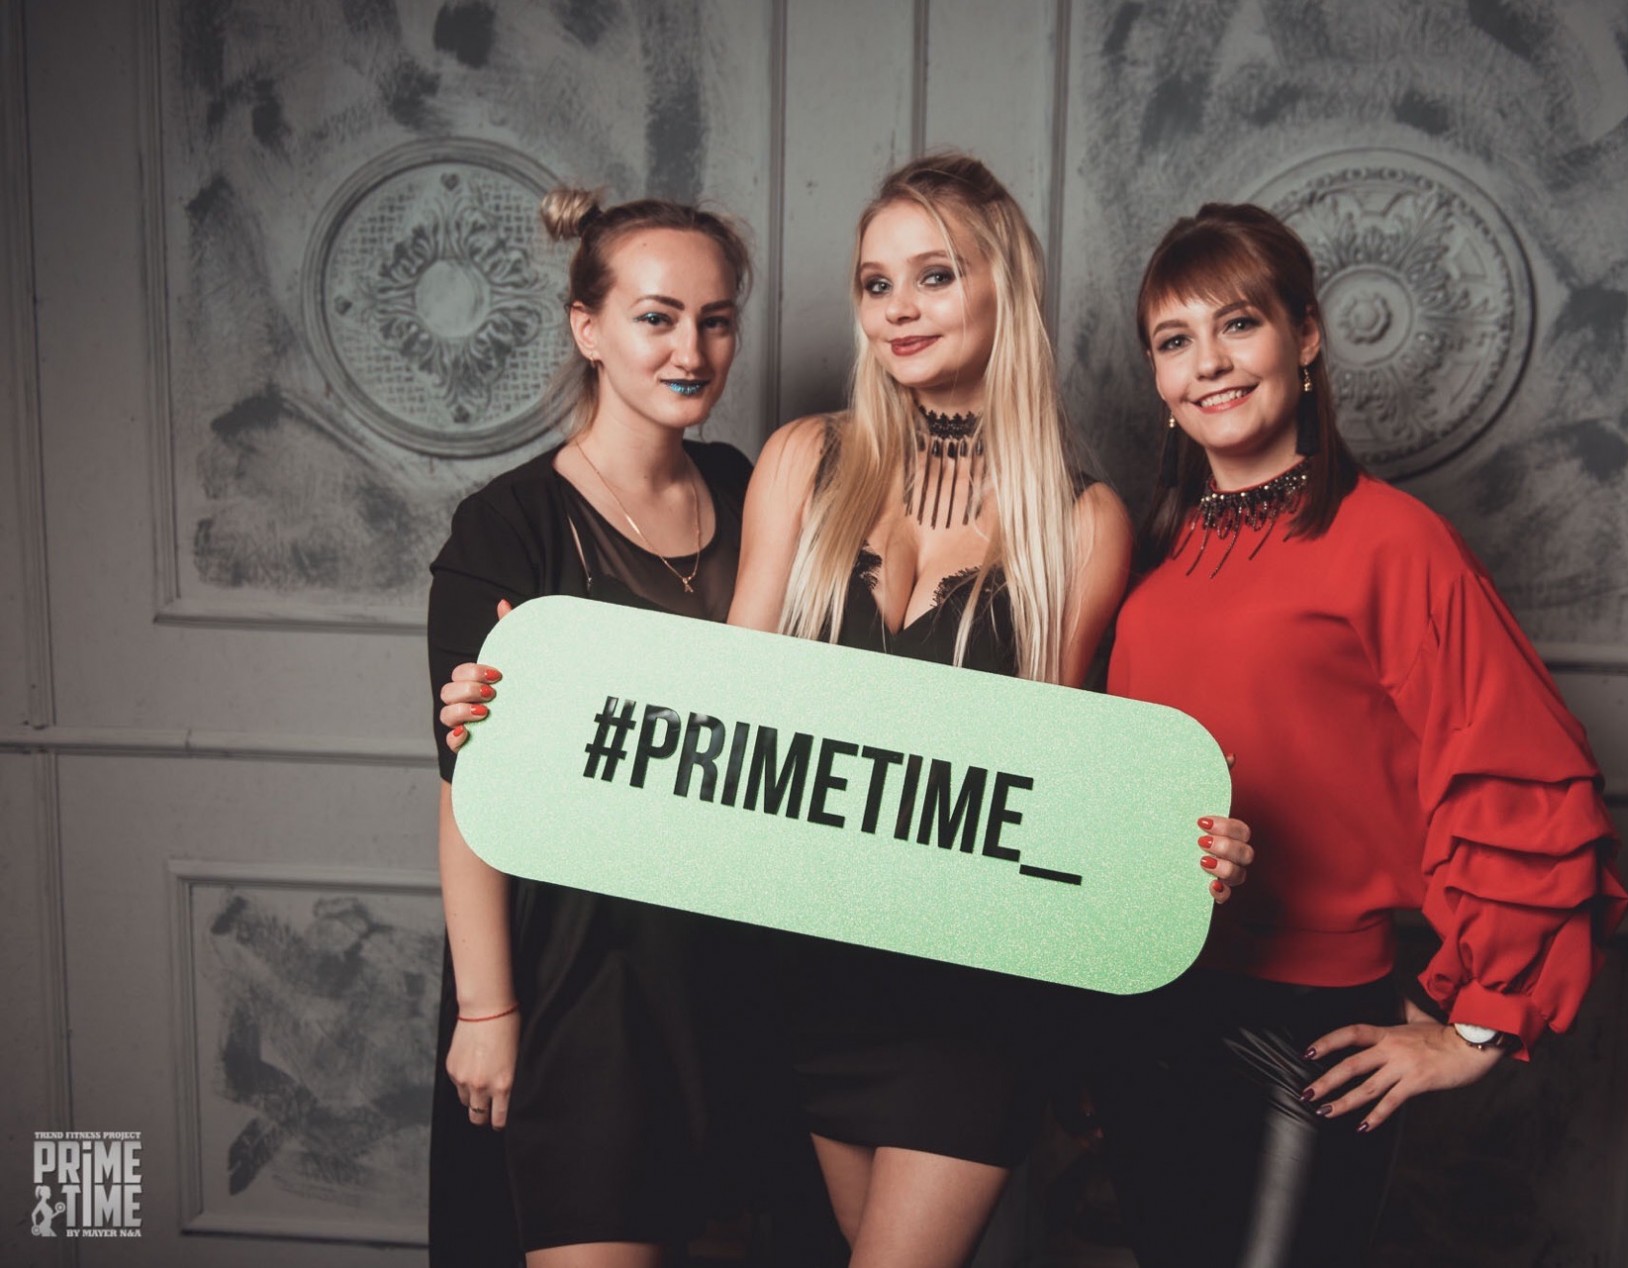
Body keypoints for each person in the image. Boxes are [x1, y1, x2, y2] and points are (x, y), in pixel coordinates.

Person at [720, 153, 1250, 1267]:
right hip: (805, 973)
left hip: (970, 997)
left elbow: (1047, 785)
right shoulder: (803, 460)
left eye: (935, 275)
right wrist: (530, 699)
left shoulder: (1079, 521)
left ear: (1004, 285)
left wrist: (1179, 844)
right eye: (876, 285)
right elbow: (727, 711)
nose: (899, 309)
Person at [1093, 202, 1628, 1266]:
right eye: (1174, 340)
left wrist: (1475, 1027)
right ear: (1156, 377)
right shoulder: (1153, 556)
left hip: (1308, 1023)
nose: (1208, 363)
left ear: (1304, 335)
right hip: (1147, 1009)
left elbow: (1521, 767)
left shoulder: (1390, 541)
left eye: (1237, 324)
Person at [426, 187, 760, 1268]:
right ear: (588, 328)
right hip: (583, 970)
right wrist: (487, 1008)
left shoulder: (748, 488)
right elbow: (468, 789)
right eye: (656, 317)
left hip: (729, 962)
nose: (690, 351)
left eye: (715, 320)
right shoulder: (506, 526)